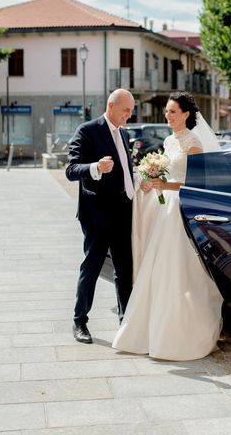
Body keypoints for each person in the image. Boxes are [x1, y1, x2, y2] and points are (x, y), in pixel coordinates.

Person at [112, 91, 223, 360]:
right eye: (167, 111)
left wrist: (166, 184)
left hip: (181, 208)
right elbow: (165, 173)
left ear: (186, 114)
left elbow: (198, 183)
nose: (168, 116)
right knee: (158, 266)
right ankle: (152, 329)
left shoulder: (194, 142)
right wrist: (151, 180)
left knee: (179, 268)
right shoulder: (169, 140)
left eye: (173, 111)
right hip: (164, 209)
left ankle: (179, 333)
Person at [66, 88, 135, 344]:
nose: (129, 115)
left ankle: (125, 322)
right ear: (111, 105)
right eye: (126, 110)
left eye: (131, 111)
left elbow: (126, 174)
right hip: (97, 216)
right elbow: (71, 169)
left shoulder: (124, 134)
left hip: (123, 214)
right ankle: (79, 321)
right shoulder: (87, 131)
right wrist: (96, 167)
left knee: (124, 271)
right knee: (92, 267)